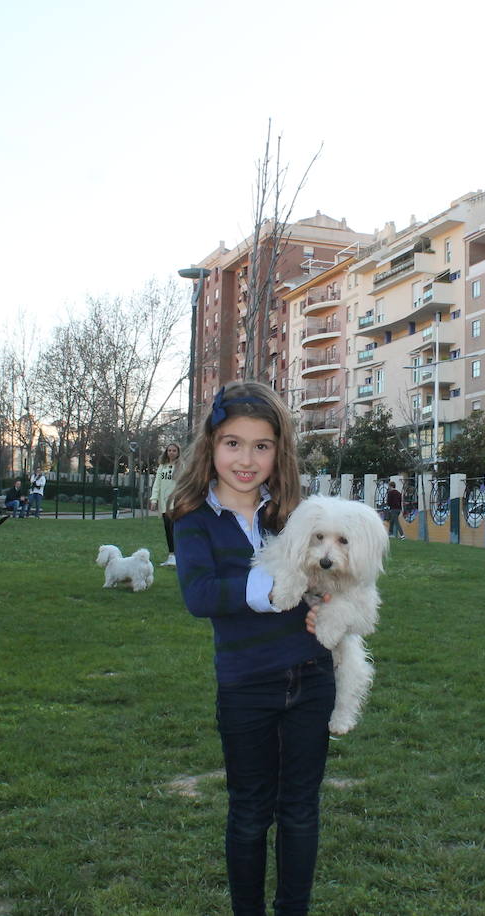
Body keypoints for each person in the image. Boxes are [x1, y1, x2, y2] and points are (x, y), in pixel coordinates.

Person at [172, 381, 334, 916]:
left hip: (311, 677)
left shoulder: (295, 515)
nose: (246, 459)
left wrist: (326, 600)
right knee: (248, 812)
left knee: (301, 810)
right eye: (233, 443)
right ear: (211, 446)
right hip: (245, 686)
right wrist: (272, 590)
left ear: (278, 451)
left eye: (261, 446)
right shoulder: (192, 518)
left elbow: (331, 573)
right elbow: (200, 596)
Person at [149, 442, 180, 566]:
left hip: (176, 503)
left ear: (178, 452)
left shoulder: (181, 466)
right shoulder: (162, 466)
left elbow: (183, 484)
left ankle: (178, 556)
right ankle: (171, 555)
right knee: (168, 529)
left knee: (175, 529)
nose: (171, 453)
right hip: (164, 503)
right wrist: (154, 499)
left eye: (174, 450)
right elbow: (157, 484)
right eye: (169, 450)